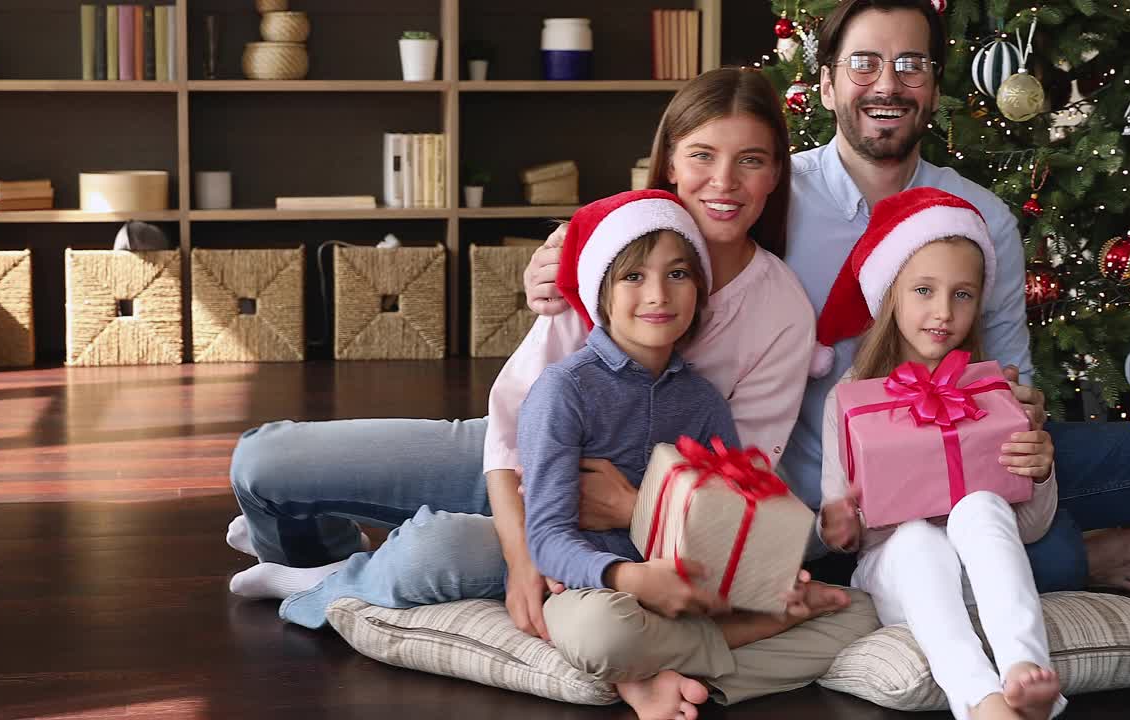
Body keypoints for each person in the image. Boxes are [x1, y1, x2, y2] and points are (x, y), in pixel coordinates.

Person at [523, 0, 1130, 592]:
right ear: (831, 82)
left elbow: (1008, 373)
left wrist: (1019, 408)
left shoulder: (979, 216)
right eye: (864, 63)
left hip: (965, 462)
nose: (887, 85)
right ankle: (1078, 558)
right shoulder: (766, 189)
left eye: (911, 65)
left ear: (934, 85)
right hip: (833, 494)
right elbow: (656, 233)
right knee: (1044, 562)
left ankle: (1064, 547)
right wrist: (562, 251)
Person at [225, 67, 870, 643]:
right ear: (670, 162)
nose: (724, 182)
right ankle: (319, 553)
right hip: (509, 461)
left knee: (430, 551)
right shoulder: (607, 243)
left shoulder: (781, 311)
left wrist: (622, 514)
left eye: (751, 161)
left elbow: (735, 484)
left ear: (777, 173)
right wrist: (522, 550)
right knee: (263, 461)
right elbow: (511, 425)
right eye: (702, 155)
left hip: (610, 522)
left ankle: (331, 579)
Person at [518, 190, 867, 720]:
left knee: (861, 615)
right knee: (601, 634)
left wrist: (809, 543)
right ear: (602, 294)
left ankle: (656, 672)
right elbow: (546, 537)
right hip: (600, 590)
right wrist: (627, 578)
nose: (658, 294)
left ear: (699, 292)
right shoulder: (564, 390)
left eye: (678, 274)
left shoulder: (703, 402)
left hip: (690, 590)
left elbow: (733, 518)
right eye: (634, 276)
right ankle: (689, 654)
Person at [815, 187, 1065, 720]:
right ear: (891, 296)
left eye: (962, 294)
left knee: (981, 506)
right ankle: (979, 698)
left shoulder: (997, 391)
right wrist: (837, 523)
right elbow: (842, 522)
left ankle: (1025, 670)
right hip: (900, 574)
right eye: (923, 290)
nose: (943, 312)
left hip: (985, 582)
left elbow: (1031, 527)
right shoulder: (852, 398)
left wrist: (1040, 472)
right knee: (915, 541)